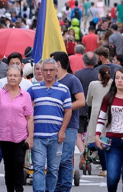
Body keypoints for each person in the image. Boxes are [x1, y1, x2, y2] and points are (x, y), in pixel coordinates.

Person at [28, 58, 72, 192]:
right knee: (38, 167)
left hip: (55, 136)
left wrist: (62, 131)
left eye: (51, 70)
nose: (48, 73)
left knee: (53, 169)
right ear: (41, 71)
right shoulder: (33, 89)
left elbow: (68, 111)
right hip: (37, 136)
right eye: (45, 70)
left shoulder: (64, 90)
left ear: (56, 71)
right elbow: (25, 109)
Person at [0, 65, 34, 192]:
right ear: (6, 77)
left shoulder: (25, 95)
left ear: (20, 78)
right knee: (8, 166)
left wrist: (30, 137)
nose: (12, 78)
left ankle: (19, 189)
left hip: (20, 136)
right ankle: (10, 190)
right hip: (4, 135)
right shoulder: (0, 94)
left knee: (18, 164)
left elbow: (29, 117)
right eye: (10, 75)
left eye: (15, 75)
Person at [50, 52, 85, 192]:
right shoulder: (51, 81)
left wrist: (65, 107)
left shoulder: (72, 80)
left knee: (65, 159)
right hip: (52, 126)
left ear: (58, 64)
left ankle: (65, 188)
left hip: (70, 125)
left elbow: (81, 101)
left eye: (51, 63)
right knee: (54, 160)